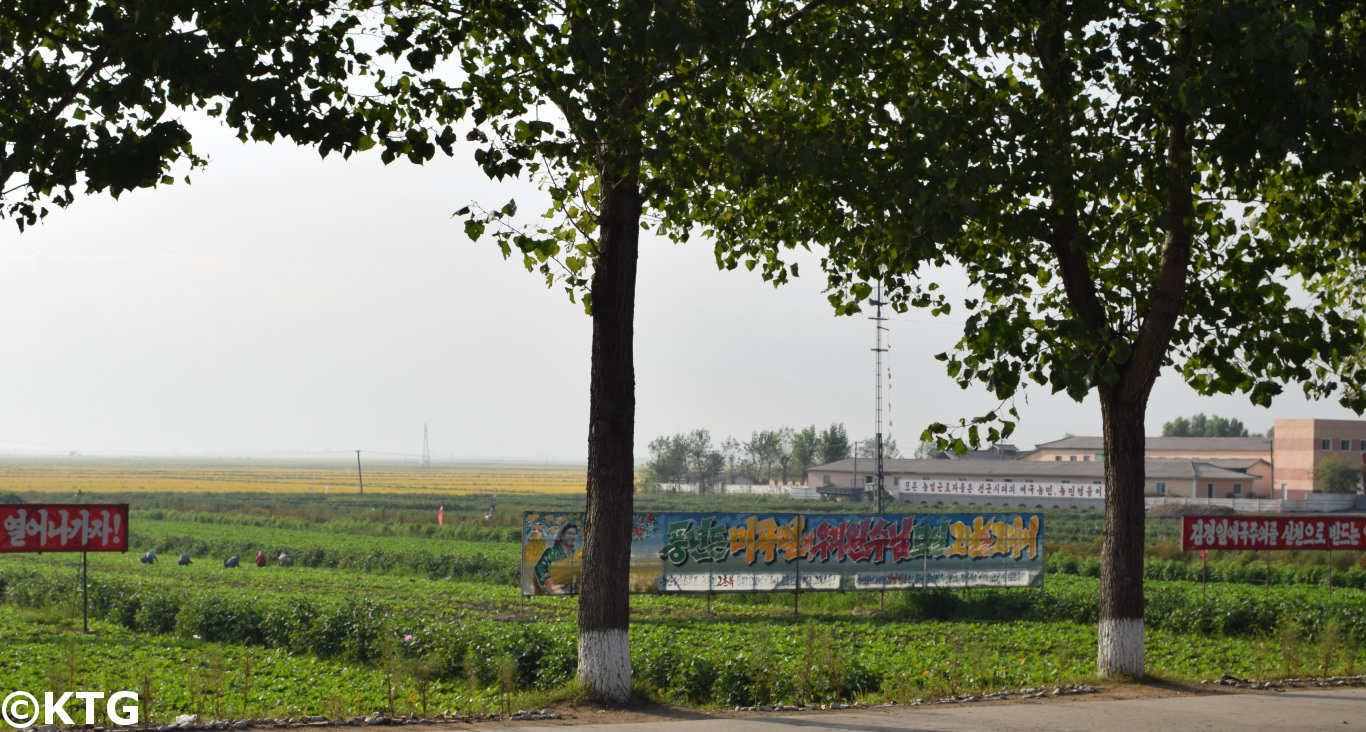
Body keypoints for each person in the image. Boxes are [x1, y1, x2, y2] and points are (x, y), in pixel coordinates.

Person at [532, 522, 579, 594]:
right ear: (562, 536)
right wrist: (551, 586)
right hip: (554, 594)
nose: (572, 537)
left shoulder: (576, 554)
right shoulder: (552, 552)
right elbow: (540, 567)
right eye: (569, 533)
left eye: (574, 534)